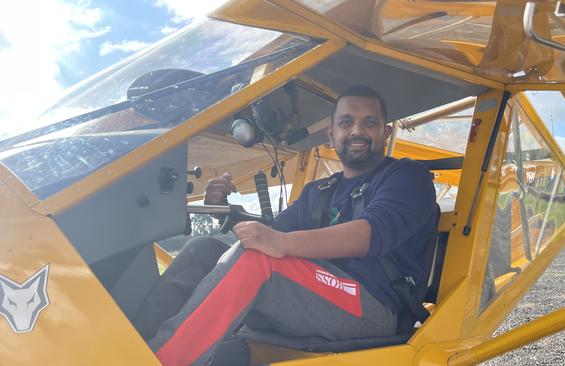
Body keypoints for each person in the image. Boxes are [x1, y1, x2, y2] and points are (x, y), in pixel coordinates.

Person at [136, 85, 438, 365]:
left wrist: (281, 243)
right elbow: (273, 233)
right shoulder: (319, 191)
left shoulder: (406, 176)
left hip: (373, 309)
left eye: (369, 122)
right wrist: (229, 211)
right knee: (201, 250)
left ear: (385, 132)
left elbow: (370, 233)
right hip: (317, 298)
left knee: (259, 261)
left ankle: (162, 362)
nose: (357, 130)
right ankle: (130, 348)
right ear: (331, 135)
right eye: (346, 123)